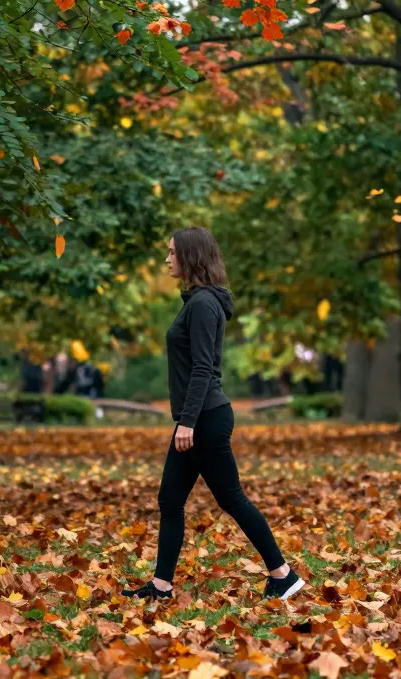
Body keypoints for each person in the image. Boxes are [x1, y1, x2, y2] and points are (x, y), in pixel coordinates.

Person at [121, 227, 304, 602]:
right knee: (170, 500)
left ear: (189, 256)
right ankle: (161, 586)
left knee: (232, 498)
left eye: (172, 253)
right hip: (199, 416)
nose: (167, 259)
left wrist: (187, 421)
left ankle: (282, 574)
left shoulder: (203, 304)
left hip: (205, 418)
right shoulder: (197, 302)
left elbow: (204, 369)